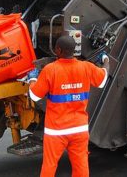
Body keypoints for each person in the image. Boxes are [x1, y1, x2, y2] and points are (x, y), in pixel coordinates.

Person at [27, 35, 110, 177]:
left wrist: (32, 79)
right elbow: (103, 77)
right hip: (79, 128)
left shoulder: (50, 70)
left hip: (56, 131)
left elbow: (34, 96)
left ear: (58, 50)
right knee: (81, 166)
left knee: (49, 165)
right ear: (74, 50)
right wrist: (105, 59)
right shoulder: (86, 67)